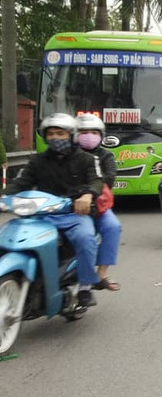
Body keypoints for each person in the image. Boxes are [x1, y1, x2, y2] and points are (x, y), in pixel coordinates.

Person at [4, 114, 103, 306]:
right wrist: (5, 197)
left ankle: (85, 287)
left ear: (72, 135)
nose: (55, 138)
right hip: (40, 215)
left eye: (60, 133)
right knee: (9, 235)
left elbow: (97, 180)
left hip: (74, 214)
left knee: (85, 238)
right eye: (50, 134)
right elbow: (20, 183)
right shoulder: (36, 161)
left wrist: (88, 195)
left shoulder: (87, 159)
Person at [75, 114, 122, 292]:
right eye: (84, 132)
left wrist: (88, 192)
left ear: (101, 135)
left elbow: (108, 179)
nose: (88, 136)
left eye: (93, 132)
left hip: (98, 204)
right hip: (69, 204)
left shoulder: (105, 156)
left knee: (113, 227)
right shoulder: (70, 155)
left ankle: (101, 273)